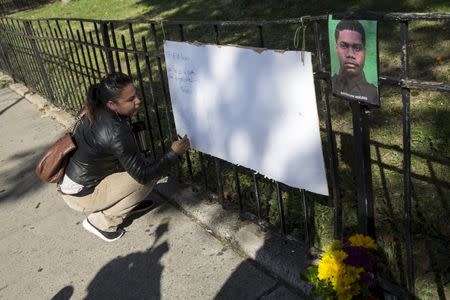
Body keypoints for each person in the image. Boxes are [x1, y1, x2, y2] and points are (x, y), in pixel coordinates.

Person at [58, 72, 190, 242]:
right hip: (81, 196)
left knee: (142, 164)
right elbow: (143, 174)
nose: (138, 101)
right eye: (130, 100)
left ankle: (126, 204)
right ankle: (102, 222)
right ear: (112, 104)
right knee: (146, 179)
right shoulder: (115, 131)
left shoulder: (97, 106)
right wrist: (173, 154)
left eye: (135, 95)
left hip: (77, 181)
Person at [331, 19, 379, 106]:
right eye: (344, 46)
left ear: (365, 52)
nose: (350, 54)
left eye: (357, 48)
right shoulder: (330, 83)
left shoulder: (374, 93)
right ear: (336, 48)